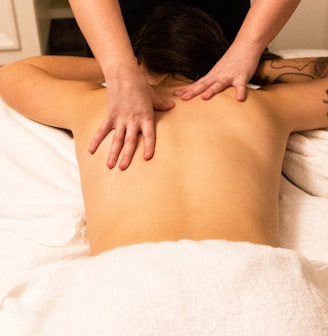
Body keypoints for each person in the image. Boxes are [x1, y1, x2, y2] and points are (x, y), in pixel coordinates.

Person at [0, 3, 327, 256]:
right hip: (248, 271)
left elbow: (13, 74)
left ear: (143, 60)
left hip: (124, 277)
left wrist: (125, 70)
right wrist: (255, 62)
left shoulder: (95, 105)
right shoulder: (260, 106)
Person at [68, 0, 301, 170]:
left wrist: (248, 49)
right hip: (119, 27)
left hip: (220, 32)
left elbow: (30, 72)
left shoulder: (89, 104)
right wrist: (119, 70)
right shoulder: (262, 107)